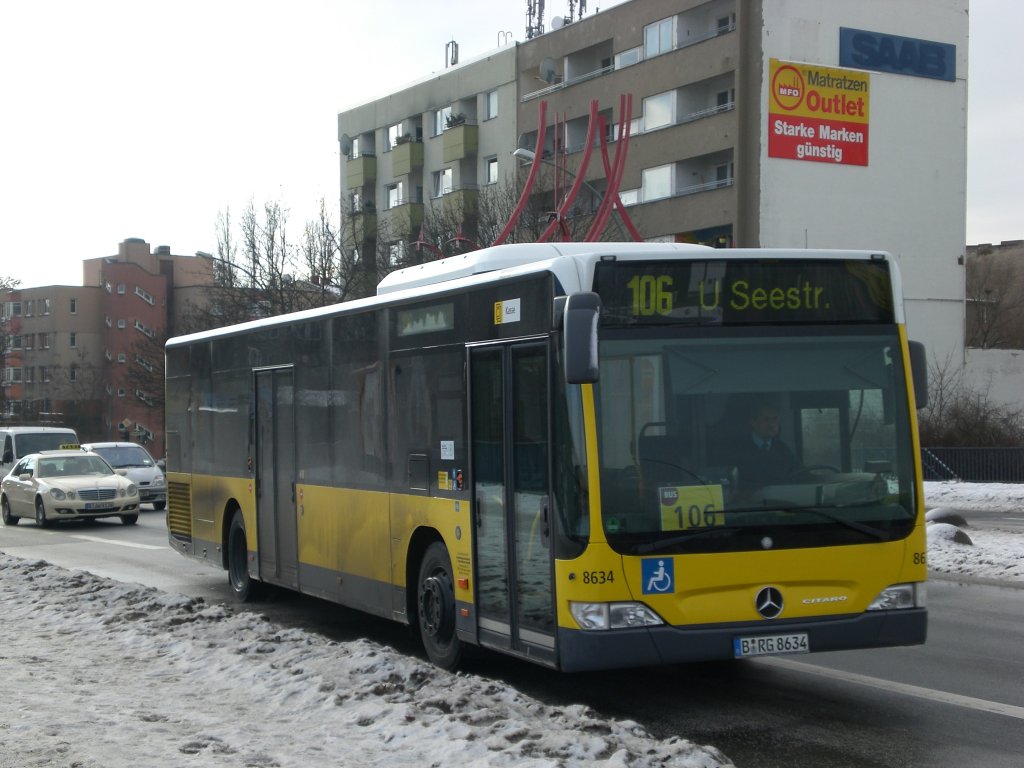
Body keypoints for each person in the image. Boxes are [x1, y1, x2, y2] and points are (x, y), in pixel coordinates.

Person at [733, 403, 799, 489]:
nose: (771, 424)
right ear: (753, 422)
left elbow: (798, 472)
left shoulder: (783, 449)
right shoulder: (737, 449)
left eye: (774, 419)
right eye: (766, 419)